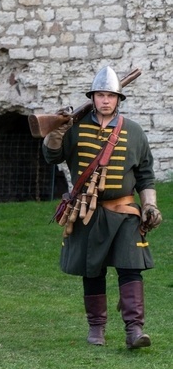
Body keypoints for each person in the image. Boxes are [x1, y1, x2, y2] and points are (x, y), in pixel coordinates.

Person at [42, 65, 162, 349]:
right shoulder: (75, 128)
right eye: (100, 95)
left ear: (118, 99)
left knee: (131, 268)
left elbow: (145, 174)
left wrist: (150, 205)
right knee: (91, 269)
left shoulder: (133, 131)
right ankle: (96, 328)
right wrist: (56, 133)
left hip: (125, 212)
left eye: (110, 95)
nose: (105, 100)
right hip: (86, 211)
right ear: (93, 98)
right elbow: (51, 156)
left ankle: (134, 330)